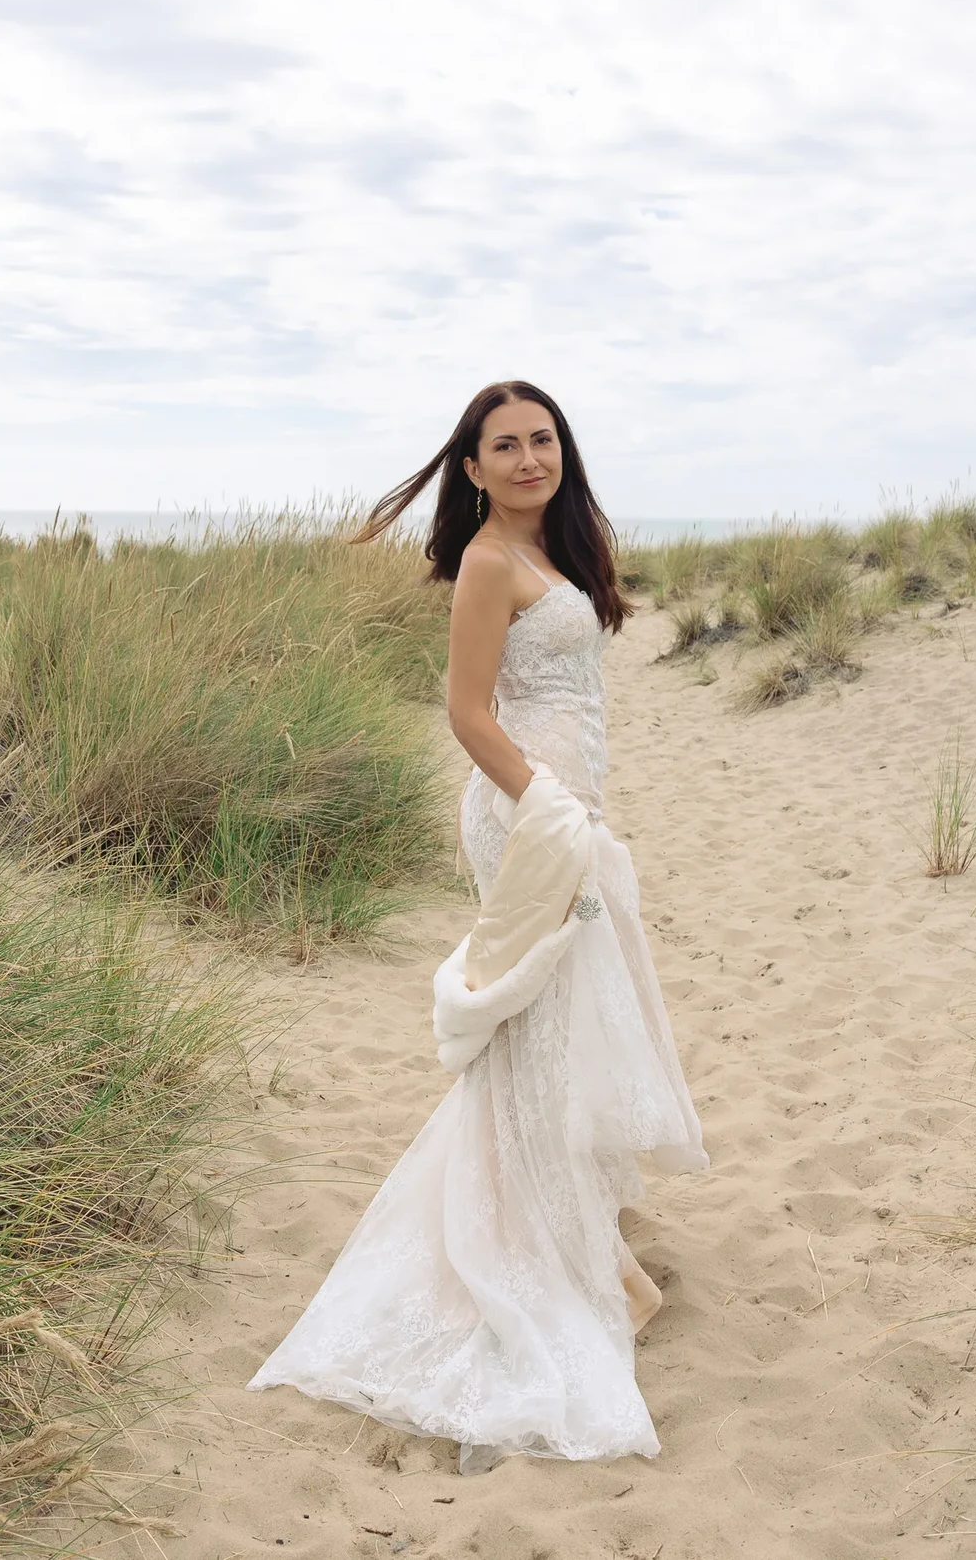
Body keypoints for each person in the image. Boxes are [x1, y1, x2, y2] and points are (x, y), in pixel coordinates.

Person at [247, 380, 709, 1473]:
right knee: (533, 1030)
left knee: (560, 1028)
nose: (527, 457)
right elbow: (466, 710)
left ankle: (584, 1244)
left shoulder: (561, 547)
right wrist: (546, 805)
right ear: (469, 466)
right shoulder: (488, 563)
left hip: (565, 809)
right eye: (503, 444)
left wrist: (576, 802)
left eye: (541, 439)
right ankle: (554, 1258)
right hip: (525, 815)